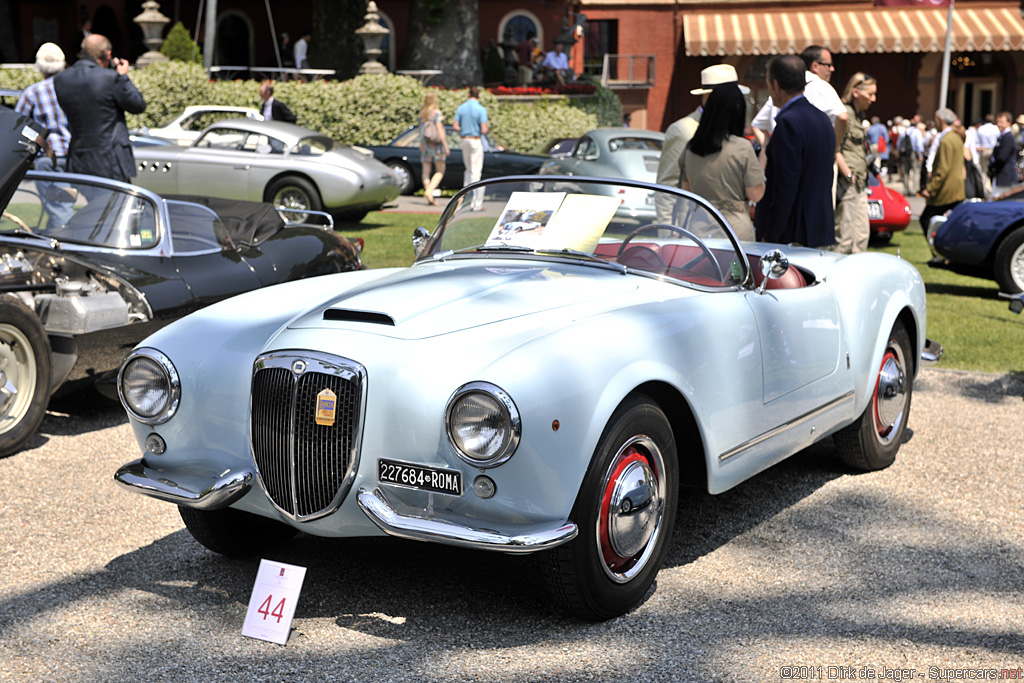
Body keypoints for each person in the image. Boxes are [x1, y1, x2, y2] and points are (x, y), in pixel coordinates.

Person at [753, 55, 836, 248]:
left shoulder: (788, 123)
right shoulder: (823, 119)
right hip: (819, 228)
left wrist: (771, 234)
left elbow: (784, 186)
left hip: (793, 233)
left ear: (776, 84)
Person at [751, 46, 848, 207]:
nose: (832, 69)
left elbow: (756, 125)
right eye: (828, 65)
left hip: (783, 166)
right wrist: (831, 151)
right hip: (816, 166)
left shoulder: (779, 94)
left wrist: (768, 145)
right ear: (815, 66)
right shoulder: (821, 87)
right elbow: (843, 117)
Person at [656, 64, 748, 223]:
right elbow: (667, 186)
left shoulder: (734, 130)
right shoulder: (683, 131)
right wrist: (667, 232)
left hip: (732, 228)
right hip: (693, 228)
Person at [53, 33, 145, 184]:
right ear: (108, 54)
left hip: (79, 159)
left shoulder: (61, 79)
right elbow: (137, 105)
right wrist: (123, 77)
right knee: (116, 206)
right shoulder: (111, 78)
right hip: (111, 162)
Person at [678, 82, 764, 241]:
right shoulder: (742, 148)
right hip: (735, 233)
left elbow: (686, 189)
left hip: (698, 230)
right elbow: (756, 194)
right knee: (735, 267)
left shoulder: (690, 148)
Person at [15, 43, 74, 226]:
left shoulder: (33, 93)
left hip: (49, 160)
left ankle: (66, 248)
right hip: (75, 157)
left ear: (40, 66)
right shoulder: (75, 88)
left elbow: (18, 127)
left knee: (59, 210)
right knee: (64, 204)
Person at [834, 73, 877, 254]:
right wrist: (848, 175)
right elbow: (834, 148)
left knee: (860, 238)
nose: (873, 99)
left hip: (859, 181)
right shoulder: (845, 114)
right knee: (844, 239)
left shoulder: (858, 115)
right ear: (856, 92)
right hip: (849, 183)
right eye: (870, 94)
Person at [919, 108, 966, 238]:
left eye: (936, 121)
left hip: (946, 190)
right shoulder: (956, 137)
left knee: (926, 219)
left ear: (941, 121)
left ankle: (938, 253)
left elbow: (942, 169)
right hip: (956, 189)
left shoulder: (946, 139)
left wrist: (931, 189)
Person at [453, 86, 489, 210]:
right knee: (476, 172)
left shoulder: (461, 108)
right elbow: (484, 129)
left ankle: (464, 201)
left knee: (468, 171)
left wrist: (465, 128)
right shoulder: (481, 109)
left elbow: (455, 126)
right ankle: (477, 203)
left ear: (469, 94)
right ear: (478, 95)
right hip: (475, 140)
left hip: (464, 139)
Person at [418, 91, 450, 206]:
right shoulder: (436, 113)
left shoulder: (422, 113)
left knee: (426, 171)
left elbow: (420, 131)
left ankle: (429, 195)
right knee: (440, 170)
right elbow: (440, 130)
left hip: (425, 146)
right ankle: (429, 191)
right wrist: (445, 145)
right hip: (436, 146)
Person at [989, 111, 1019, 197]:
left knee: (998, 200)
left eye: (1001, 122)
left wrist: (992, 166)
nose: (999, 124)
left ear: (1009, 123)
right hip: (1001, 175)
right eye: (997, 122)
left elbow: (1002, 157)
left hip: (1005, 176)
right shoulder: (1003, 136)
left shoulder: (1008, 137)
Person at [977, 114, 999, 178]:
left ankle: (985, 183)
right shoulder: (995, 128)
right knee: (992, 167)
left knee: (983, 169)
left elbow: (979, 139)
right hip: (993, 150)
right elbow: (998, 138)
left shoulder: (981, 128)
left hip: (984, 150)